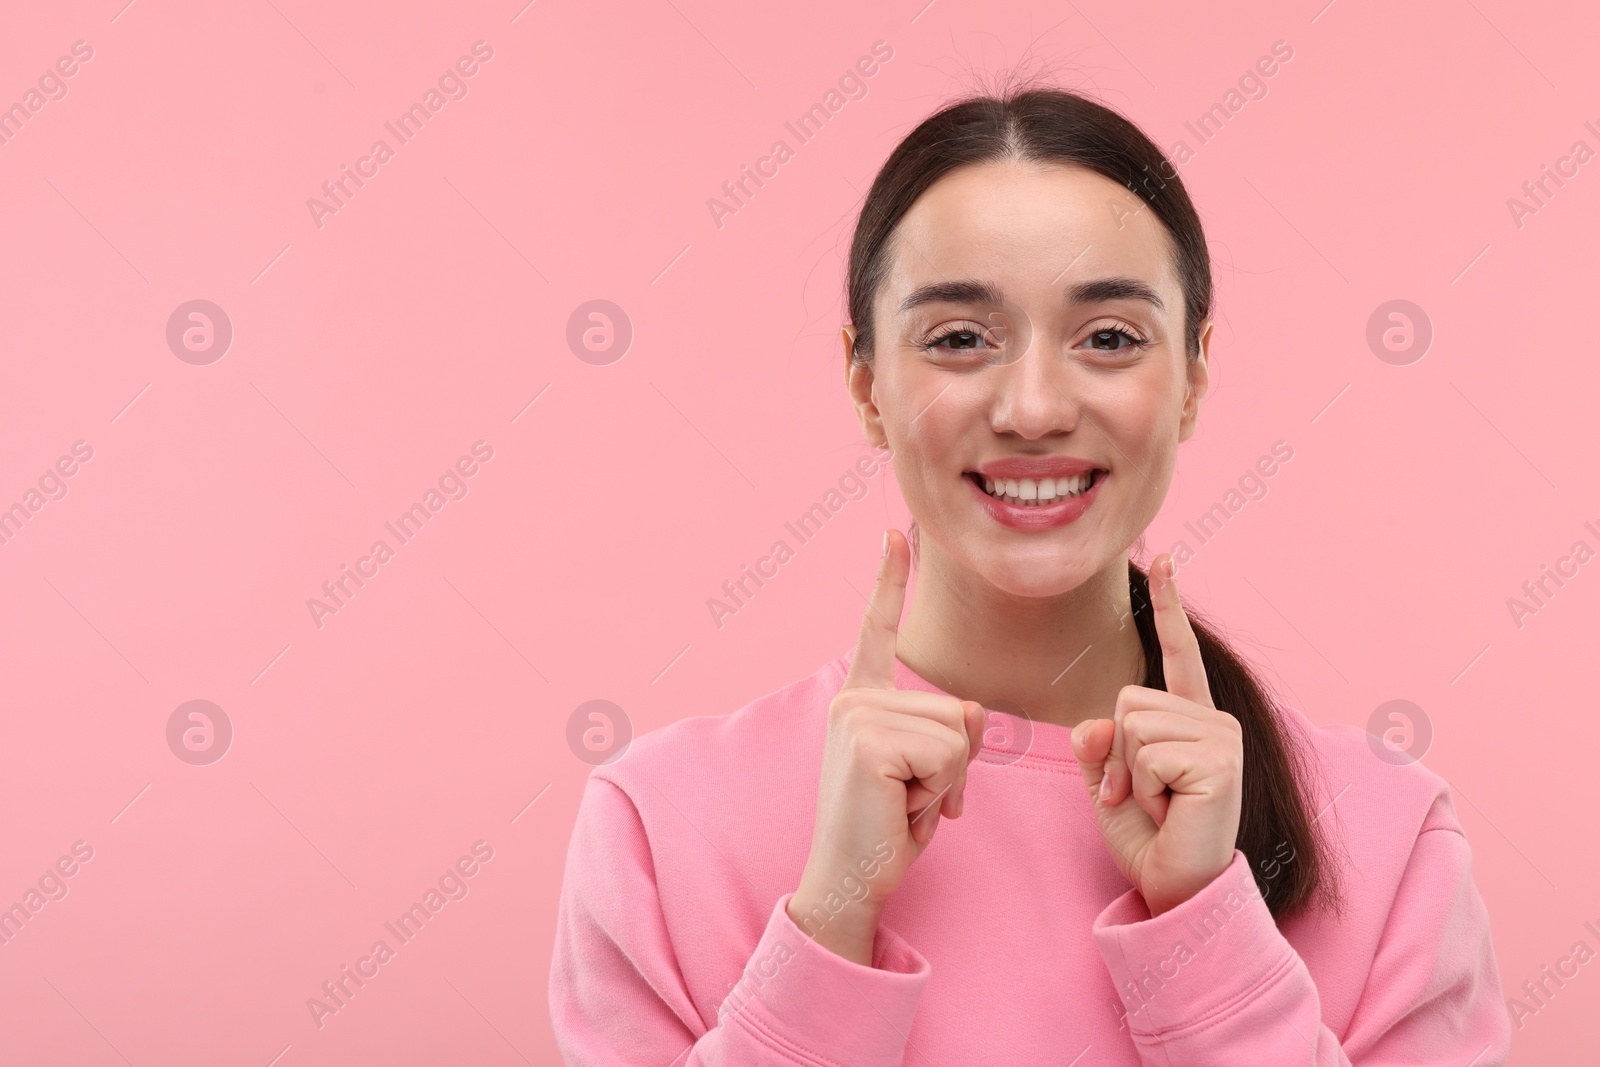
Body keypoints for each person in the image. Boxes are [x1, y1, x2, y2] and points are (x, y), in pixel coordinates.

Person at [548, 81, 1512, 1064]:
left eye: (1108, 337)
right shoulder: (660, 825)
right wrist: (829, 921)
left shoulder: (1387, 833)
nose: (1035, 406)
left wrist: (1207, 935)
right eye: (960, 337)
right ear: (864, 383)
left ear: (1193, 375)